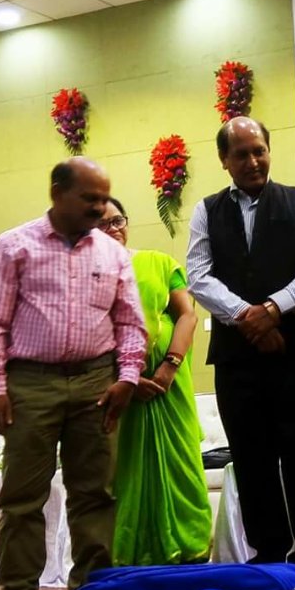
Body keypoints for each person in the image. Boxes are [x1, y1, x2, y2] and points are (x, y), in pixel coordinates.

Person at [0, 157, 146, 590]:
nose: (99, 207)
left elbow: (130, 323)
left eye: (104, 198)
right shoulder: (13, 247)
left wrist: (127, 378)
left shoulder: (112, 255)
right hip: (30, 383)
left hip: (97, 381)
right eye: (88, 198)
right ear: (56, 192)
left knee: (95, 493)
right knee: (23, 497)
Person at [187, 116, 295, 590]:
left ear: (269, 151)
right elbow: (198, 275)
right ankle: (268, 558)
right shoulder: (206, 211)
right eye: (241, 154)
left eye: (259, 151)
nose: (252, 161)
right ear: (224, 161)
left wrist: (273, 310)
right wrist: (246, 317)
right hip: (236, 357)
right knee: (250, 459)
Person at [97, 197, 211, 566]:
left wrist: (168, 367)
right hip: (118, 393)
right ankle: (131, 561)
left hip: (168, 389)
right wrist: (127, 378)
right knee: (125, 476)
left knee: (183, 468)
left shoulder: (158, 263)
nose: (114, 229)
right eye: (103, 225)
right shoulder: (84, 277)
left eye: (118, 221)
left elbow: (187, 316)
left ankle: (192, 552)